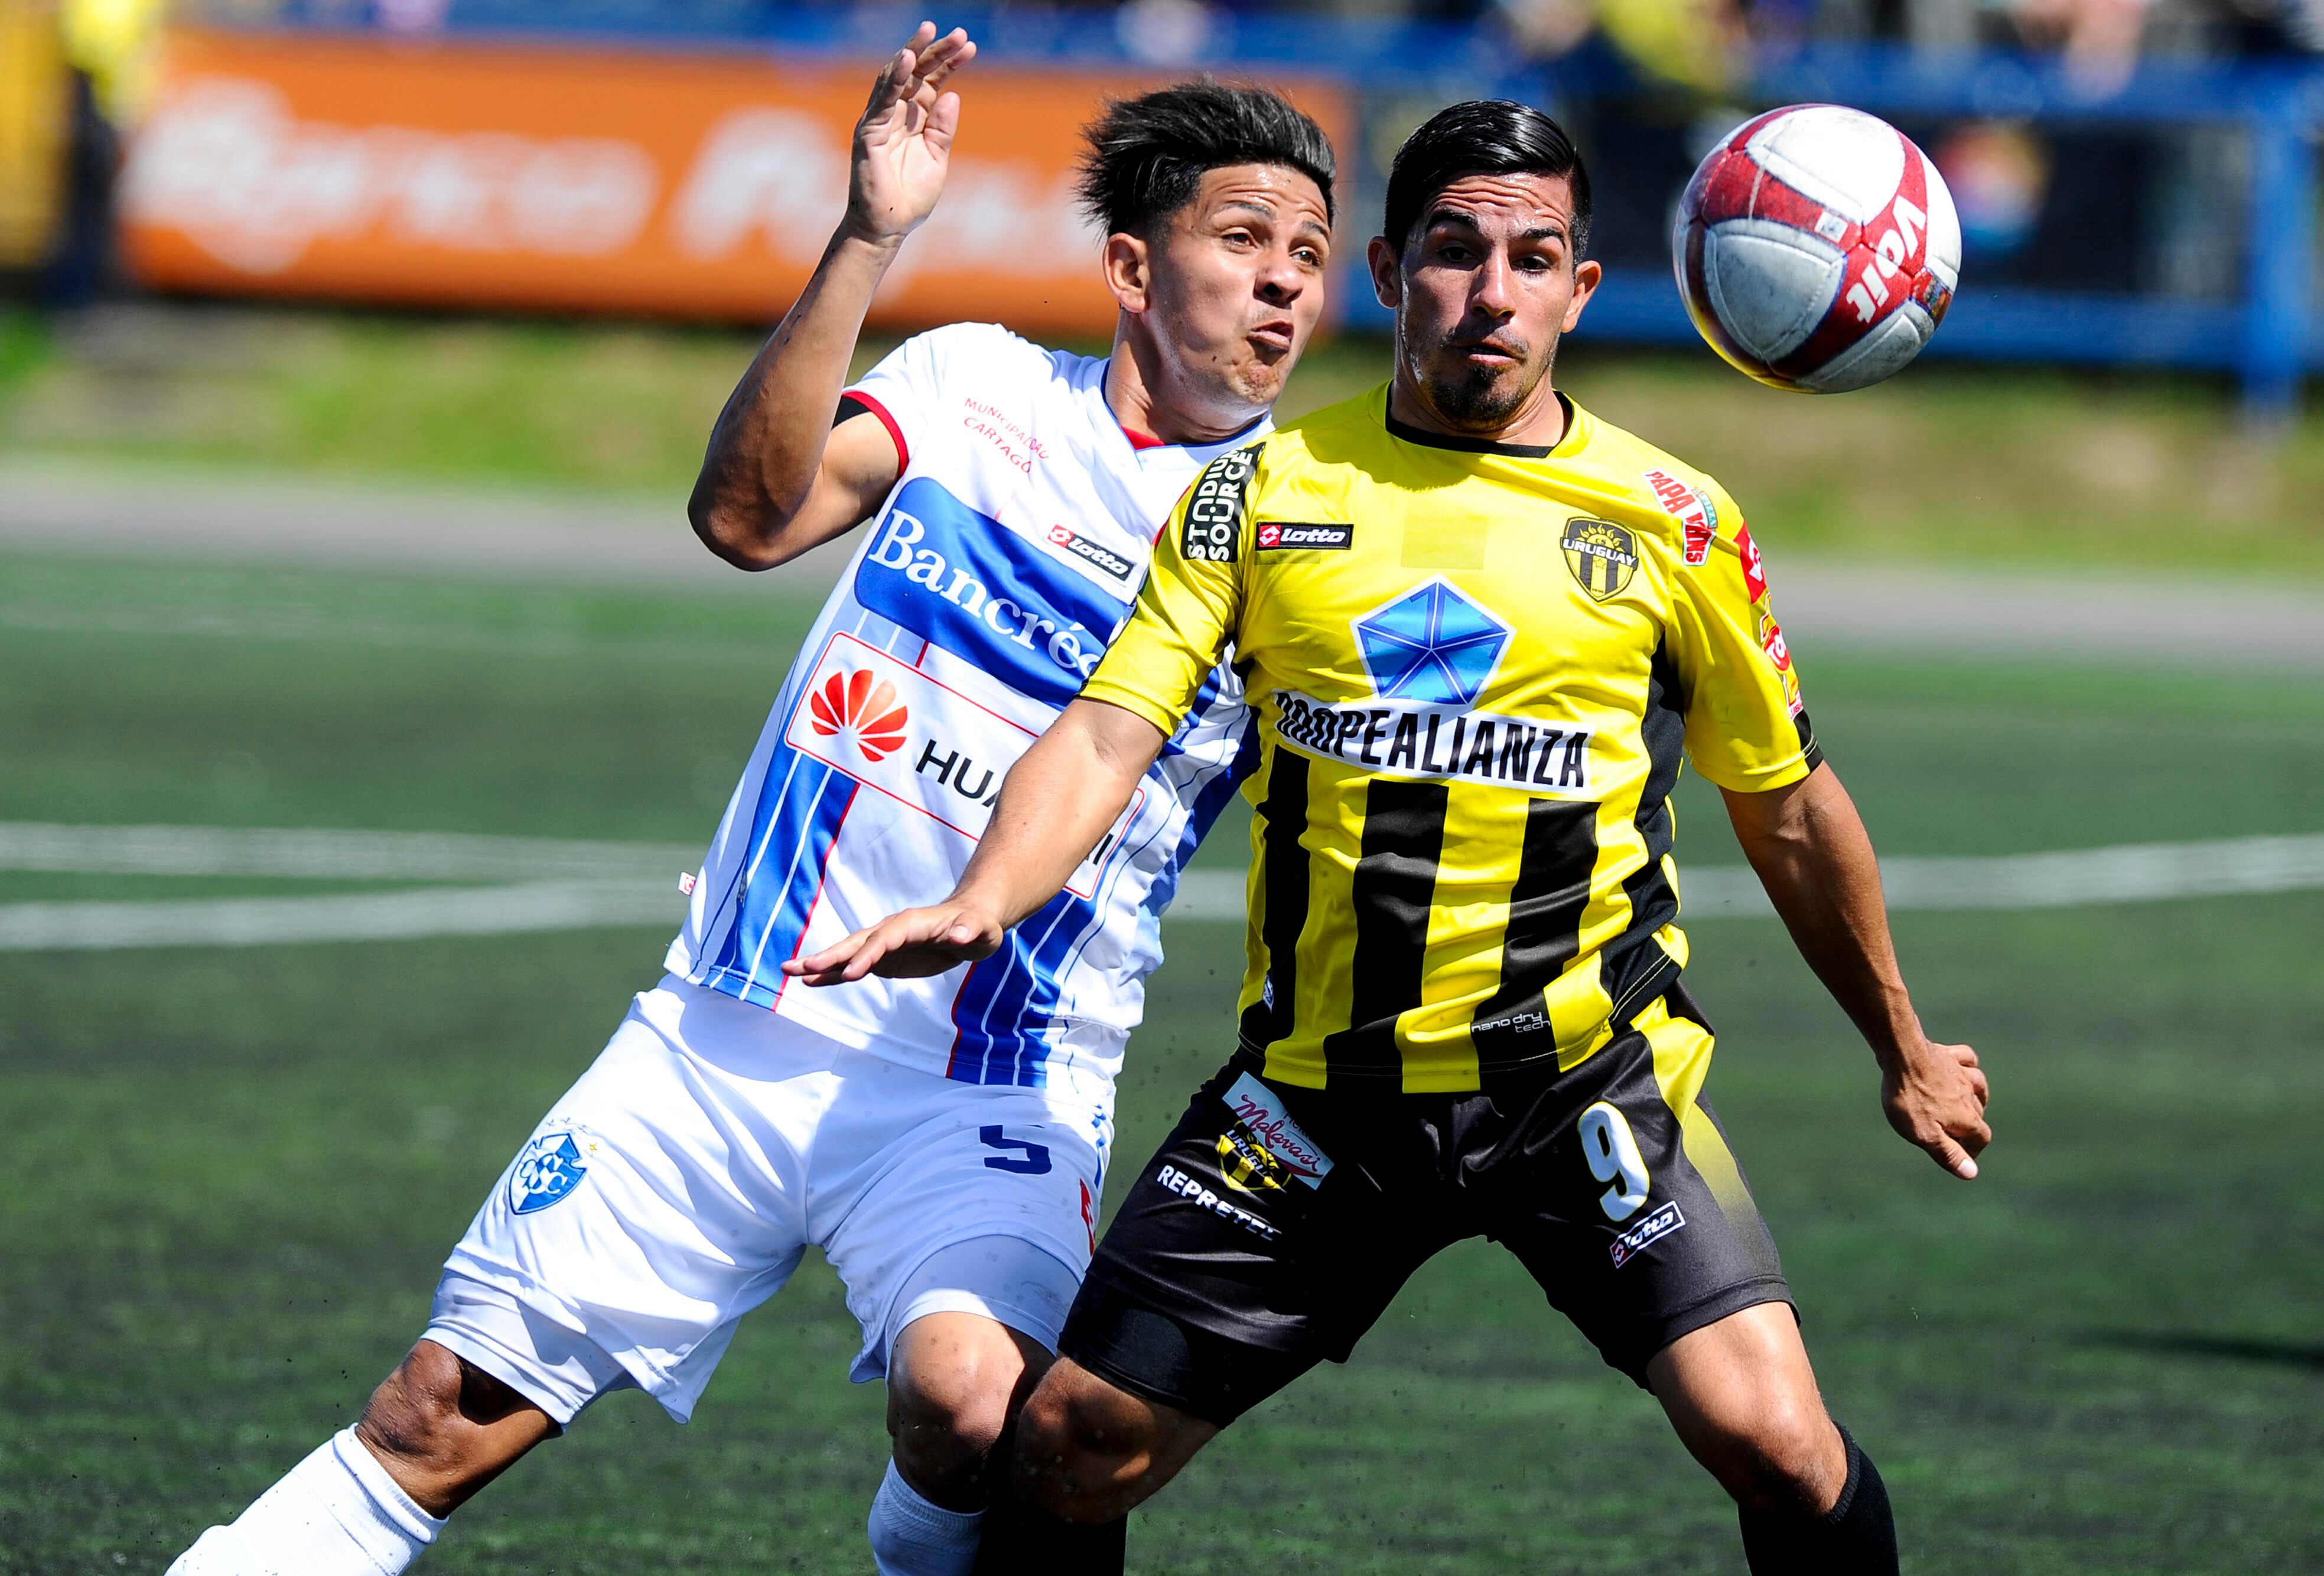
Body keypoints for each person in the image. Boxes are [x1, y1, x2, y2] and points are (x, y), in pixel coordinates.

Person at [165, 23, 1337, 1575]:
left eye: (1308, 256)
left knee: (976, 1409)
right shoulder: (973, 385)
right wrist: (868, 236)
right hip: (725, 1031)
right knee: (434, 1415)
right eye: (1243, 239)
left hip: (990, 1080)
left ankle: (920, 1537)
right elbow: (745, 516)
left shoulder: (1301, 537)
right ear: (1131, 266)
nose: (1282, 283)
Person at [788, 98, 1994, 1574]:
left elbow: (1788, 805)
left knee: (1778, 1445)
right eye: (1452, 251)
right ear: (1385, 269)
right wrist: (986, 895)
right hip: (1318, 1099)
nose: (1491, 293)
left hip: (1582, 1087)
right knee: (1066, 1441)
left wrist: (1902, 1042)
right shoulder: (1260, 494)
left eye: (1531, 259)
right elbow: (1109, 729)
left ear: (1579, 288)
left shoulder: (1674, 523)